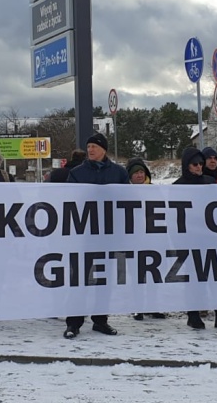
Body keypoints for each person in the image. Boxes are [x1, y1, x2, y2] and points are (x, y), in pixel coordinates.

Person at [63, 132, 129, 339]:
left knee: (104, 280)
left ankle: (101, 321)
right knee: (79, 279)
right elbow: (67, 200)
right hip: (83, 235)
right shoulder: (77, 173)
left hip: (108, 236)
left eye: (94, 146)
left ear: (104, 150)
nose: (90, 149)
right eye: (88, 146)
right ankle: (74, 323)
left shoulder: (119, 173)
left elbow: (127, 202)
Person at [174, 147, 217, 330]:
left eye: (200, 164)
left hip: (214, 240)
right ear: (186, 165)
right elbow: (174, 219)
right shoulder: (177, 187)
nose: (198, 167)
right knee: (195, 281)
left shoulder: (210, 182)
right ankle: (194, 315)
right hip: (191, 242)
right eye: (195, 164)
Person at [126, 157, 166, 320]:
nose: (139, 175)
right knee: (137, 276)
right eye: (136, 173)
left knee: (153, 276)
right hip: (133, 241)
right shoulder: (124, 191)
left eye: (142, 172)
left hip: (153, 240)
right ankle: (138, 307)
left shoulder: (154, 190)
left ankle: (152, 306)